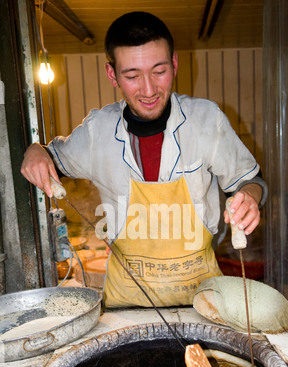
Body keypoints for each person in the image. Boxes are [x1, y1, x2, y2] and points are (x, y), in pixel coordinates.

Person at [21, 11, 267, 309]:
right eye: (132, 76)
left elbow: (249, 181)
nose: (149, 90)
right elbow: (51, 158)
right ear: (112, 75)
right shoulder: (98, 132)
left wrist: (250, 197)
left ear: (174, 64)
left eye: (159, 71)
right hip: (125, 304)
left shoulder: (207, 120)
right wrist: (35, 150)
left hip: (201, 301)